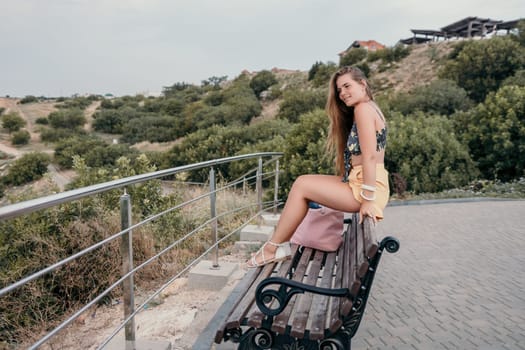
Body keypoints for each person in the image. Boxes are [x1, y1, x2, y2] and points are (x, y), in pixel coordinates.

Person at [246, 66, 389, 268]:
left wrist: (367, 200)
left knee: (302, 185)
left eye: (347, 86)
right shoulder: (370, 107)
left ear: (362, 84)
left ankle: (272, 249)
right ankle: (276, 246)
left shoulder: (363, 109)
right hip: (365, 181)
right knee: (303, 183)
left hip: (365, 187)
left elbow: (370, 156)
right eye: (339, 90)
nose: (343, 93)